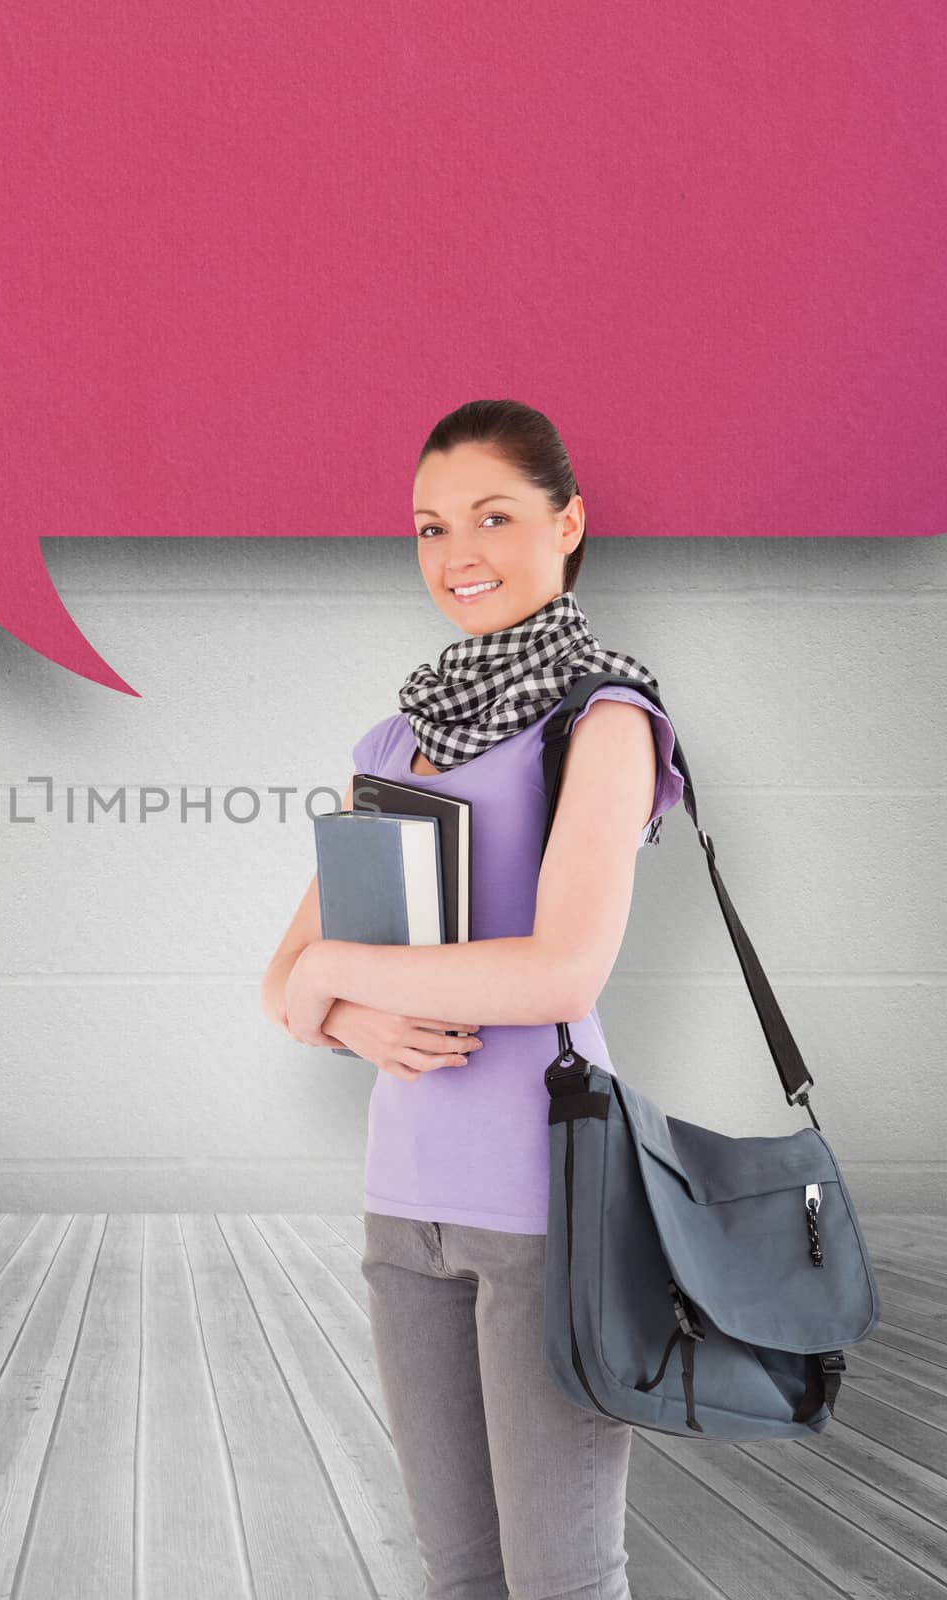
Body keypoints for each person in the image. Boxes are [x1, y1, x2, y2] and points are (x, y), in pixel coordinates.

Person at [259, 398, 687, 1600]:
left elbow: (561, 970)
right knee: (455, 1576)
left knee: (560, 1579)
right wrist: (341, 1010)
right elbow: (280, 984)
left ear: (569, 525)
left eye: (493, 516)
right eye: (430, 527)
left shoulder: (602, 722)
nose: (458, 553)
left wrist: (339, 979)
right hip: (402, 1208)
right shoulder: (391, 742)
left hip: (544, 1207)